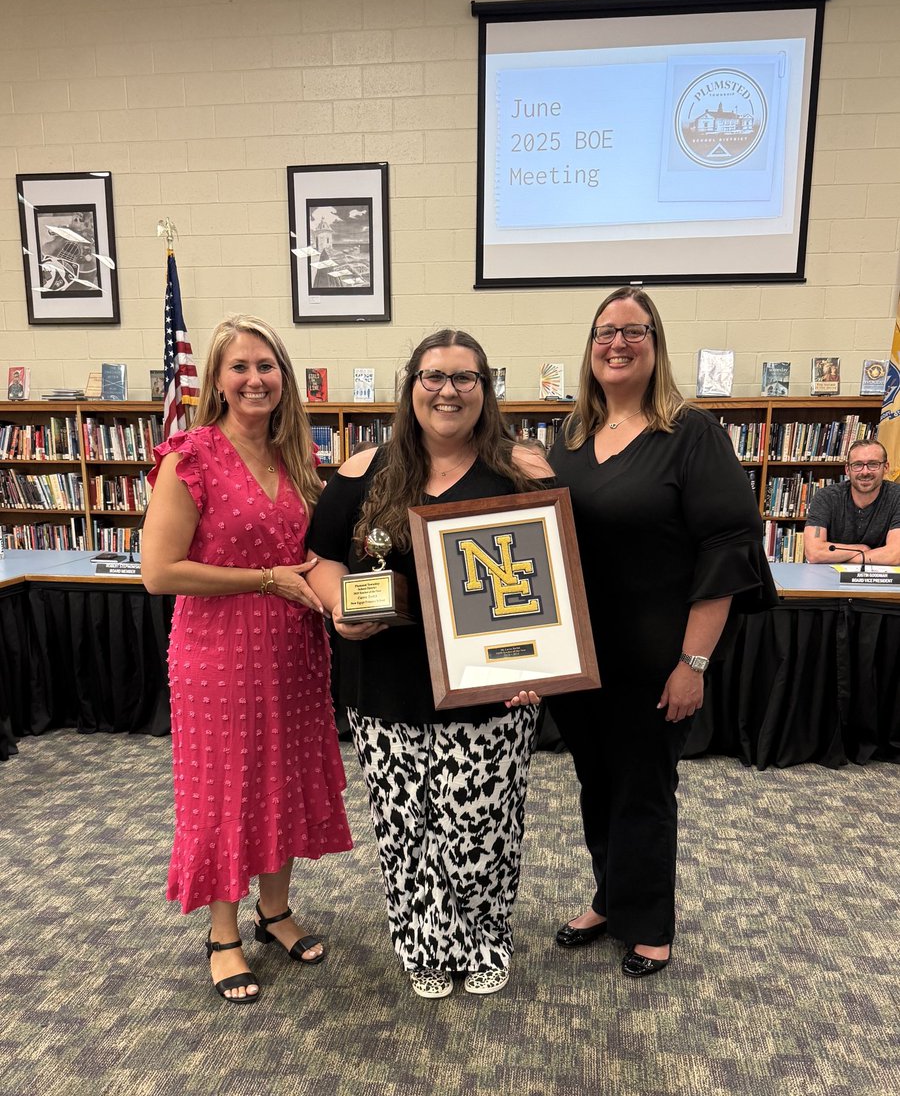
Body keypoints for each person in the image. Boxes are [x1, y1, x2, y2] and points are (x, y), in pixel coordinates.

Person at [305, 329, 554, 1000]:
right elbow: (321, 558)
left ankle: (484, 939)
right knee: (405, 827)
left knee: (480, 825)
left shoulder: (523, 470)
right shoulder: (364, 471)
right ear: (411, 385)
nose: (448, 391)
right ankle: (423, 944)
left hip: (489, 686)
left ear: (485, 389)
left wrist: (545, 662)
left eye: (464, 378)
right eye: (433, 376)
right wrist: (338, 606)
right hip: (386, 683)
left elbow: (557, 576)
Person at [547, 287, 776, 978]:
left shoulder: (692, 434)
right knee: (595, 783)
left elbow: (727, 550)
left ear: (656, 343)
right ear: (590, 347)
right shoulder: (569, 438)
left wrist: (693, 663)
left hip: (657, 659)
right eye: (605, 332)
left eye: (633, 331)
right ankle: (610, 899)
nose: (617, 343)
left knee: (643, 789)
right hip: (580, 658)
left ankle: (649, 924)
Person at [141, 314, 352, 1006]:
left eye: (267, 366)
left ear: (284, 378)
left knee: (283, 780)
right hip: (217, 655)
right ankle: (222, 932)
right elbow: (159, 572)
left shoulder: (298, 458)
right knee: (226, 790)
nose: (255, 379)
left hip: (293, 651)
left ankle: (276, 911)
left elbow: (313, 554)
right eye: (240, 366)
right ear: (217, 380)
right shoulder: (190, 458)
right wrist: (264, 580)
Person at [803, 439, 900, 565]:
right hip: (830, 575)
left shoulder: (897, 497)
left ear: (886, 467)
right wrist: (861, 549)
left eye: (873, 464)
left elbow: (895, 554)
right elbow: (814, 552)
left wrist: (851, 558)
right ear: (847, 470)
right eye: (857, 465)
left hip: (883, 576)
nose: (865, 472)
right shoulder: (826, 497)